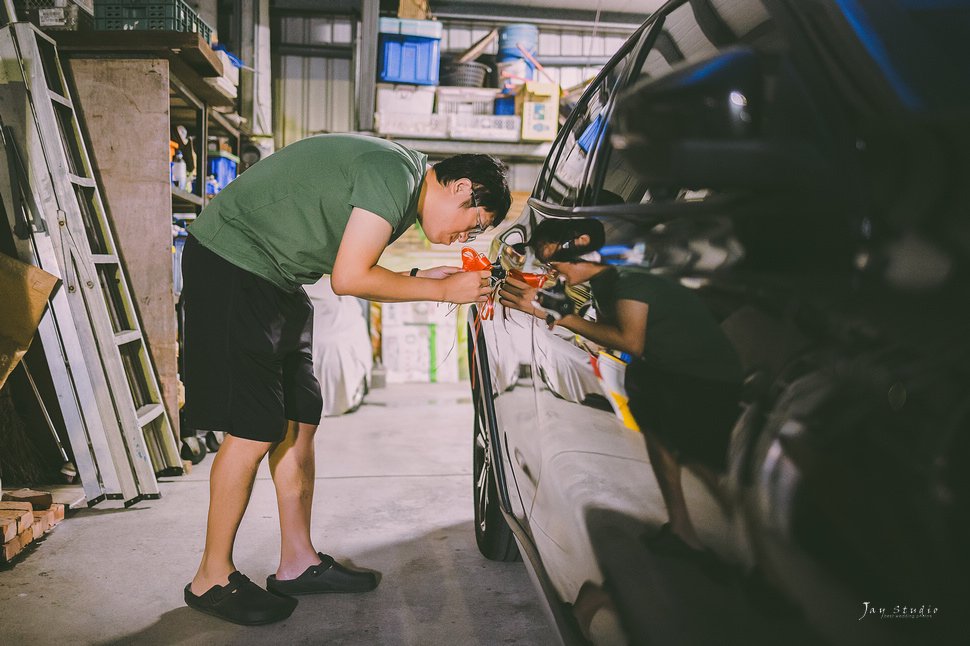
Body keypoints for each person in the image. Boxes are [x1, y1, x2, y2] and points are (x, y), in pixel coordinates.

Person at [180, 134, 511, 625]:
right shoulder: (393, 175)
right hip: (234, 263)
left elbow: (353, 263)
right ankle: (211, 577)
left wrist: (424, 274)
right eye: (474, 224)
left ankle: (297, 563)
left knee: (299, 416)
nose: (467, 238)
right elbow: (349, 279)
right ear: (462, 186)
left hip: (277, 279)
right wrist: (436, 288)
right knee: (254, 427)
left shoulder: (401, 185)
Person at [498, 219, 741, 555]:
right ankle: (683, 529)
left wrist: (552, 311)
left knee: (703, 465)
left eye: (556, 263)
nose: (555, 271)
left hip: (704, 377)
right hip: (665, 374)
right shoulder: (604, 282)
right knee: (663, 447)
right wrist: (555, 304)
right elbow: (602, 336)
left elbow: (630, 341)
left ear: (582, 245)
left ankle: (754, 551)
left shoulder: (630, 279)